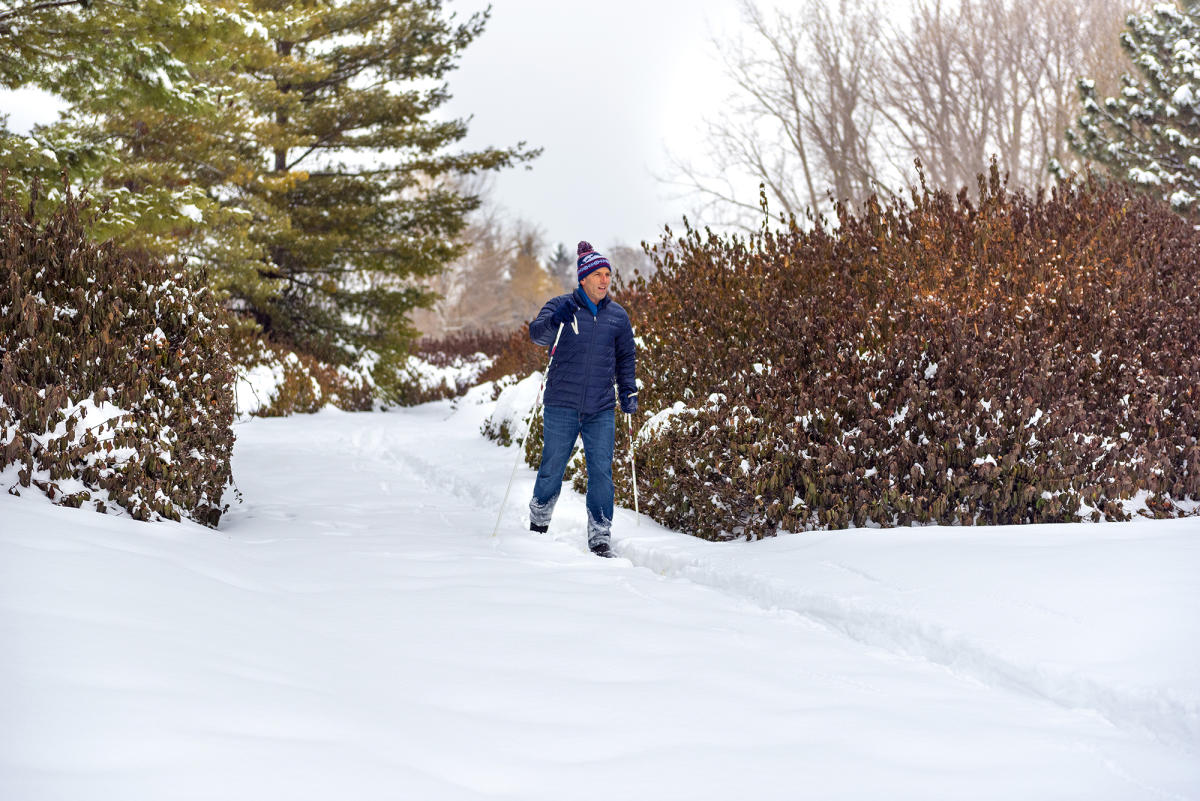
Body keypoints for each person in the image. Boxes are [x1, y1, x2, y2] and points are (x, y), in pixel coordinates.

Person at [527, 241, 637, 557]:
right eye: (598, 275)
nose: (604, 280)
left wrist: (628, 390)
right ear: (583, 279)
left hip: (600, 407)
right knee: (552, 467)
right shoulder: (560, 306)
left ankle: (600, 537)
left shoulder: (617, 316)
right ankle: (538, 525)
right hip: (561, 403)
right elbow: (538, 335)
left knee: (601, 472)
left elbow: (625, 356)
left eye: (608, 275)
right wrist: (554, 320)